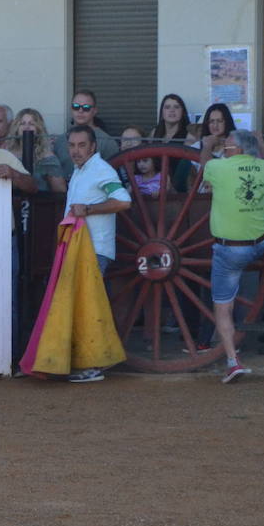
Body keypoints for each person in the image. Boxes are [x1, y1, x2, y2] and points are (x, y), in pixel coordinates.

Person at [198, 130, 264, 382]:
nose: (225, 148)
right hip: (262, 244)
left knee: (223, 307)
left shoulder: (220, 168)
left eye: (228, 145)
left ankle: (232, 362)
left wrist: (208, 144)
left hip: (231, 250)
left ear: (237, 150)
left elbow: (203, 166)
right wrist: (262, 142)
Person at [62, 124, 132, 383]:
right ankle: (88, 361)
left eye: (81, 145)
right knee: (86, 306)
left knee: (89, 306)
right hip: (84, 248)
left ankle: (95, 364)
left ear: (93, 147)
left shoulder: (100, 170)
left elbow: (124, 201)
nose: (76, 151)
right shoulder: (82, 170)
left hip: (94, 249)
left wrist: (89, 210)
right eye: (72, 146)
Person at [52, 89, 118, 179]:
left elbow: (113, 176)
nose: (80, 111)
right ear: (71, 109)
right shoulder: (60, 141)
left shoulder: (108, 142)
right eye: (76, 106)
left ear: (95, 111)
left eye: (86, 107)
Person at [6, 107, 66, 193]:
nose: (27, 127)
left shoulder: (47, 158)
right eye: (22, 123)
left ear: (38, 128)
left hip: (40, 203)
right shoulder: (8, 154)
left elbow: (60, 191)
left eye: (31, 124)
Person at [119, 126, 161, 197]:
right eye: (125, 140)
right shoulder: (115, 169)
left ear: (143, 143)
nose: (129, 143)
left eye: (134, 140)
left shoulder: (157, 171)